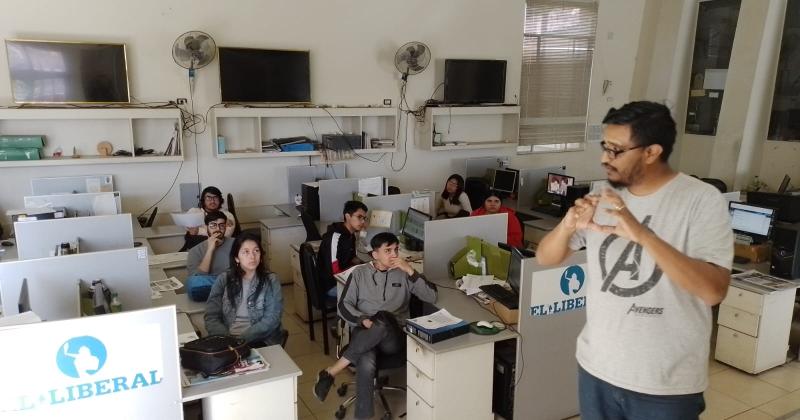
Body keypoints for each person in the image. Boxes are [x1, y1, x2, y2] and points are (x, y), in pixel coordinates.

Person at [536, 101, 733, 420]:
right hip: (597, 369)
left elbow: (713, 291)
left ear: (651, 152)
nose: (604, 158)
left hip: (663, 386)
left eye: (615, 150)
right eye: (604, 147)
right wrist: (569, 222)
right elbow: (546, 257)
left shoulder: (701, 200)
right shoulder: (606, 193)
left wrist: (642, 234)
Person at [313, 232, 438, 419]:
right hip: (364, 331)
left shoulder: (404, 273)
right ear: (374, 254)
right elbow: (343, 306)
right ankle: (363, 416)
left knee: (384, 318)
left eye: (396, 250)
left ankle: (332, 371)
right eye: (387, 250)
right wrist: (362, 319)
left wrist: (410, 270)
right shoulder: (359, 273)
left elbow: (432, 296)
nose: (394, 255)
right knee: (366, 357)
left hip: (394, 338)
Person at [204, 231, 284, 347]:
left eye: (256, 251)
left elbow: (272, 318)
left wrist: (241, 340)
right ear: (236, 258)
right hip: (226, 338)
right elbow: (211, 315)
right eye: (246, 252)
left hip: (259, 339)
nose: (252, 256)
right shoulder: (224, 279)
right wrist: (226, 339)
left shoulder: (271, 280)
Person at [318, 200, 368, 297]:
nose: (363, 222)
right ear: (348, 216)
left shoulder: (350, 235)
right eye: (359, 217)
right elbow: (335, 271)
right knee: (369, 289)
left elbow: (353, 259)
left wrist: (371, 265)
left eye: (364, 218)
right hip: (332, 284)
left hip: (342, 276)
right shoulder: (336, 237)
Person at [185, 211, 234, 301]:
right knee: (192, 282)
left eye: (221, 225)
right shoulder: (194, 251)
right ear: (206, 227)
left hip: (234, 282)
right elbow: (198, 278)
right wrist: (210, 249)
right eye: (213, 225)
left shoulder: (236, 244)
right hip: (211, 286)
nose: (218, 229)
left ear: (225, 227)